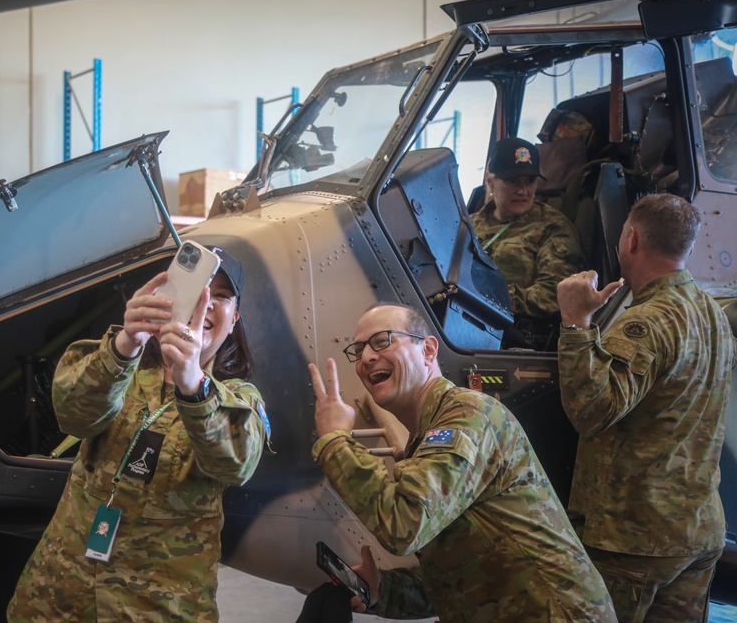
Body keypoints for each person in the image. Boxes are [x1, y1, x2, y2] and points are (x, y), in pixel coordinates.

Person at [305, 303, 615, 622]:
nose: (367, 357)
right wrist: (383, 590)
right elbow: (456, 582)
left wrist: (335, 442)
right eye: (359, 349)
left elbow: (403, 526)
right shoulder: (425, 441)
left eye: (382, 341)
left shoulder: (467, 416)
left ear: (427, 350)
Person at [7, 246, 269, 623]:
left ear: (234, 319)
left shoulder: (239, 400)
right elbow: (73, 417)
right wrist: (125, 343)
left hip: (156, 607)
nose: (204, 302)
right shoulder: (117, 366)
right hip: (59, 596)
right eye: (195, 288)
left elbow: (235, 464)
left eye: (221, 296)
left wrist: (193, 383)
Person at [556, 193, 736, 622]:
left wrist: (576, 323)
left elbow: (591, 410)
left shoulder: (647, 322)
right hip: (697, 530)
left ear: (631, 239)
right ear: (689, 248)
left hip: (633, 540)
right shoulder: (712, 314)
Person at [472, 137, 585, 348]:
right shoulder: (468, 225)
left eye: (530, 181)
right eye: (513, 181)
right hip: (462, 328)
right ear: (490, 182)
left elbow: (555, 294)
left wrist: (488, 299)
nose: (523, 191)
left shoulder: (552, 226)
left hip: (518, 340)